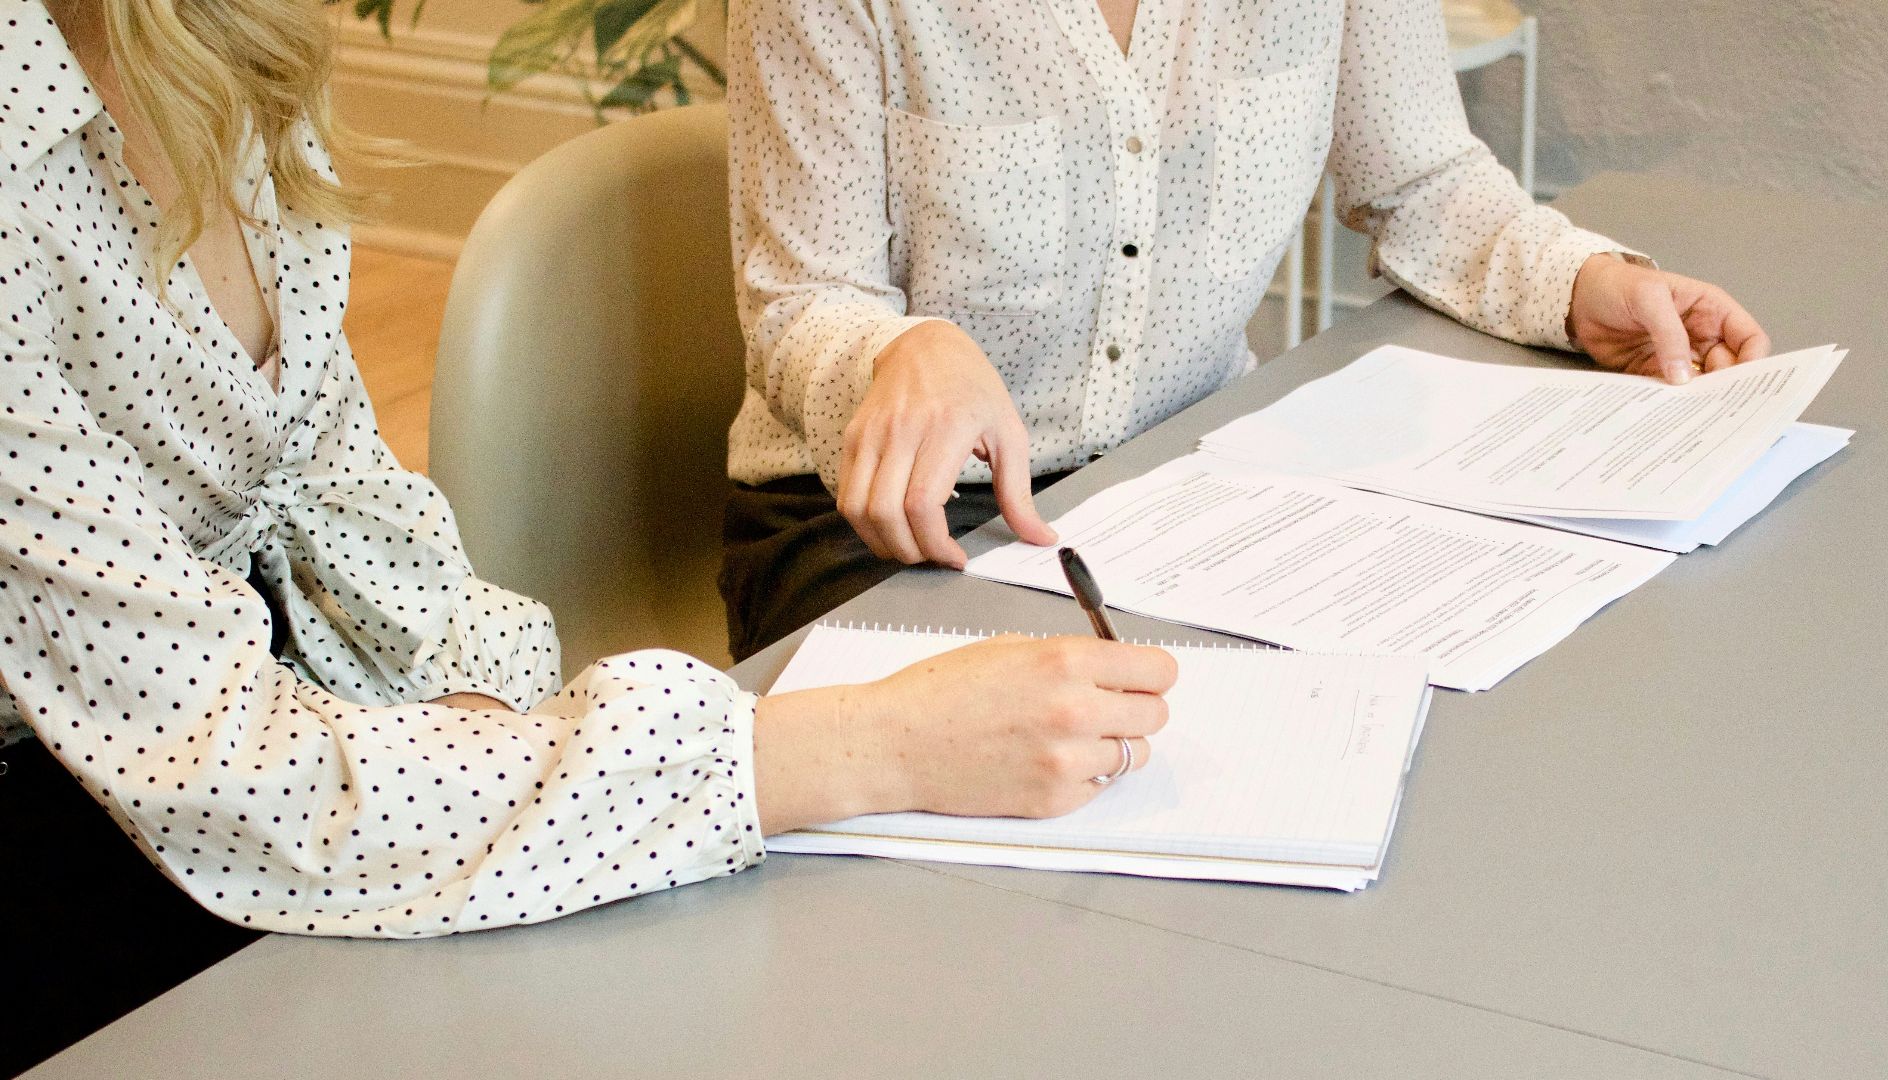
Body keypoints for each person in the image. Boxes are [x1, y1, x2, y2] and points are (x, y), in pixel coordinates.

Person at [0, 0, 1174, 1070]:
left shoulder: (222, 53)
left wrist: (476, 722)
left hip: (264, 749)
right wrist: (874, 748)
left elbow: (343, 500)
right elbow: (234, 772)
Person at [719, 0, 1774, 659]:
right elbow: (800, 299)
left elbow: (1423, 179)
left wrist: (1581, 279)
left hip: (1181, 493)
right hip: (875, 524)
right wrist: (897, 353)